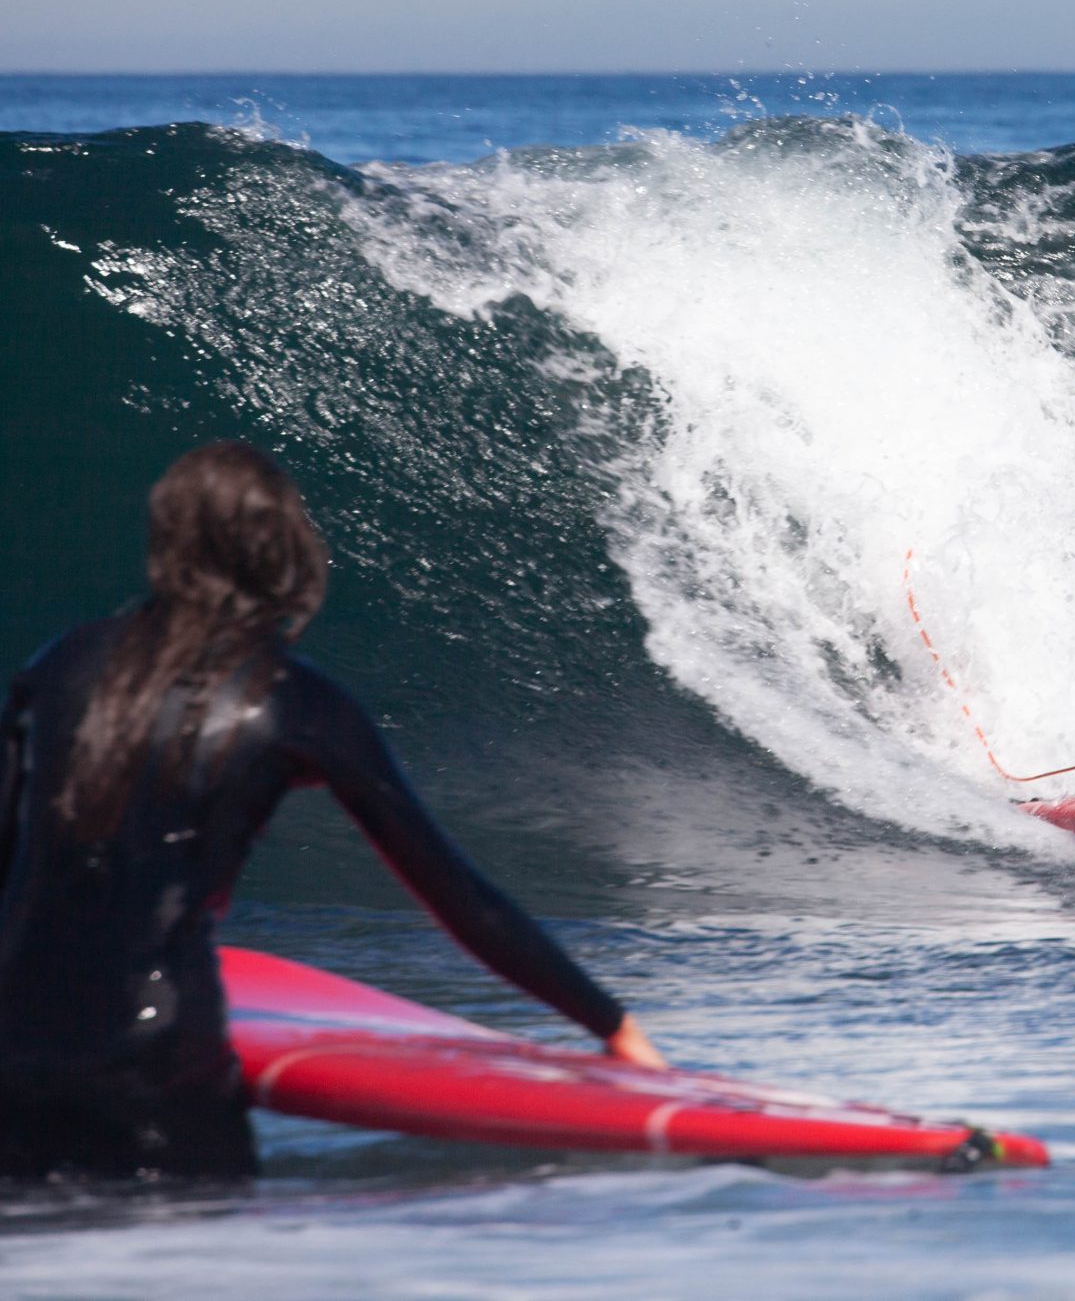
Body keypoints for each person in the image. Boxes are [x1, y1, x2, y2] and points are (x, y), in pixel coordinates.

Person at [0, 442, 665, 1184]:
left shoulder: (60, 662)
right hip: (151, 1061)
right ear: (279, 549)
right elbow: (459, 896)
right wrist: (609, 1021)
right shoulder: (290, 699)